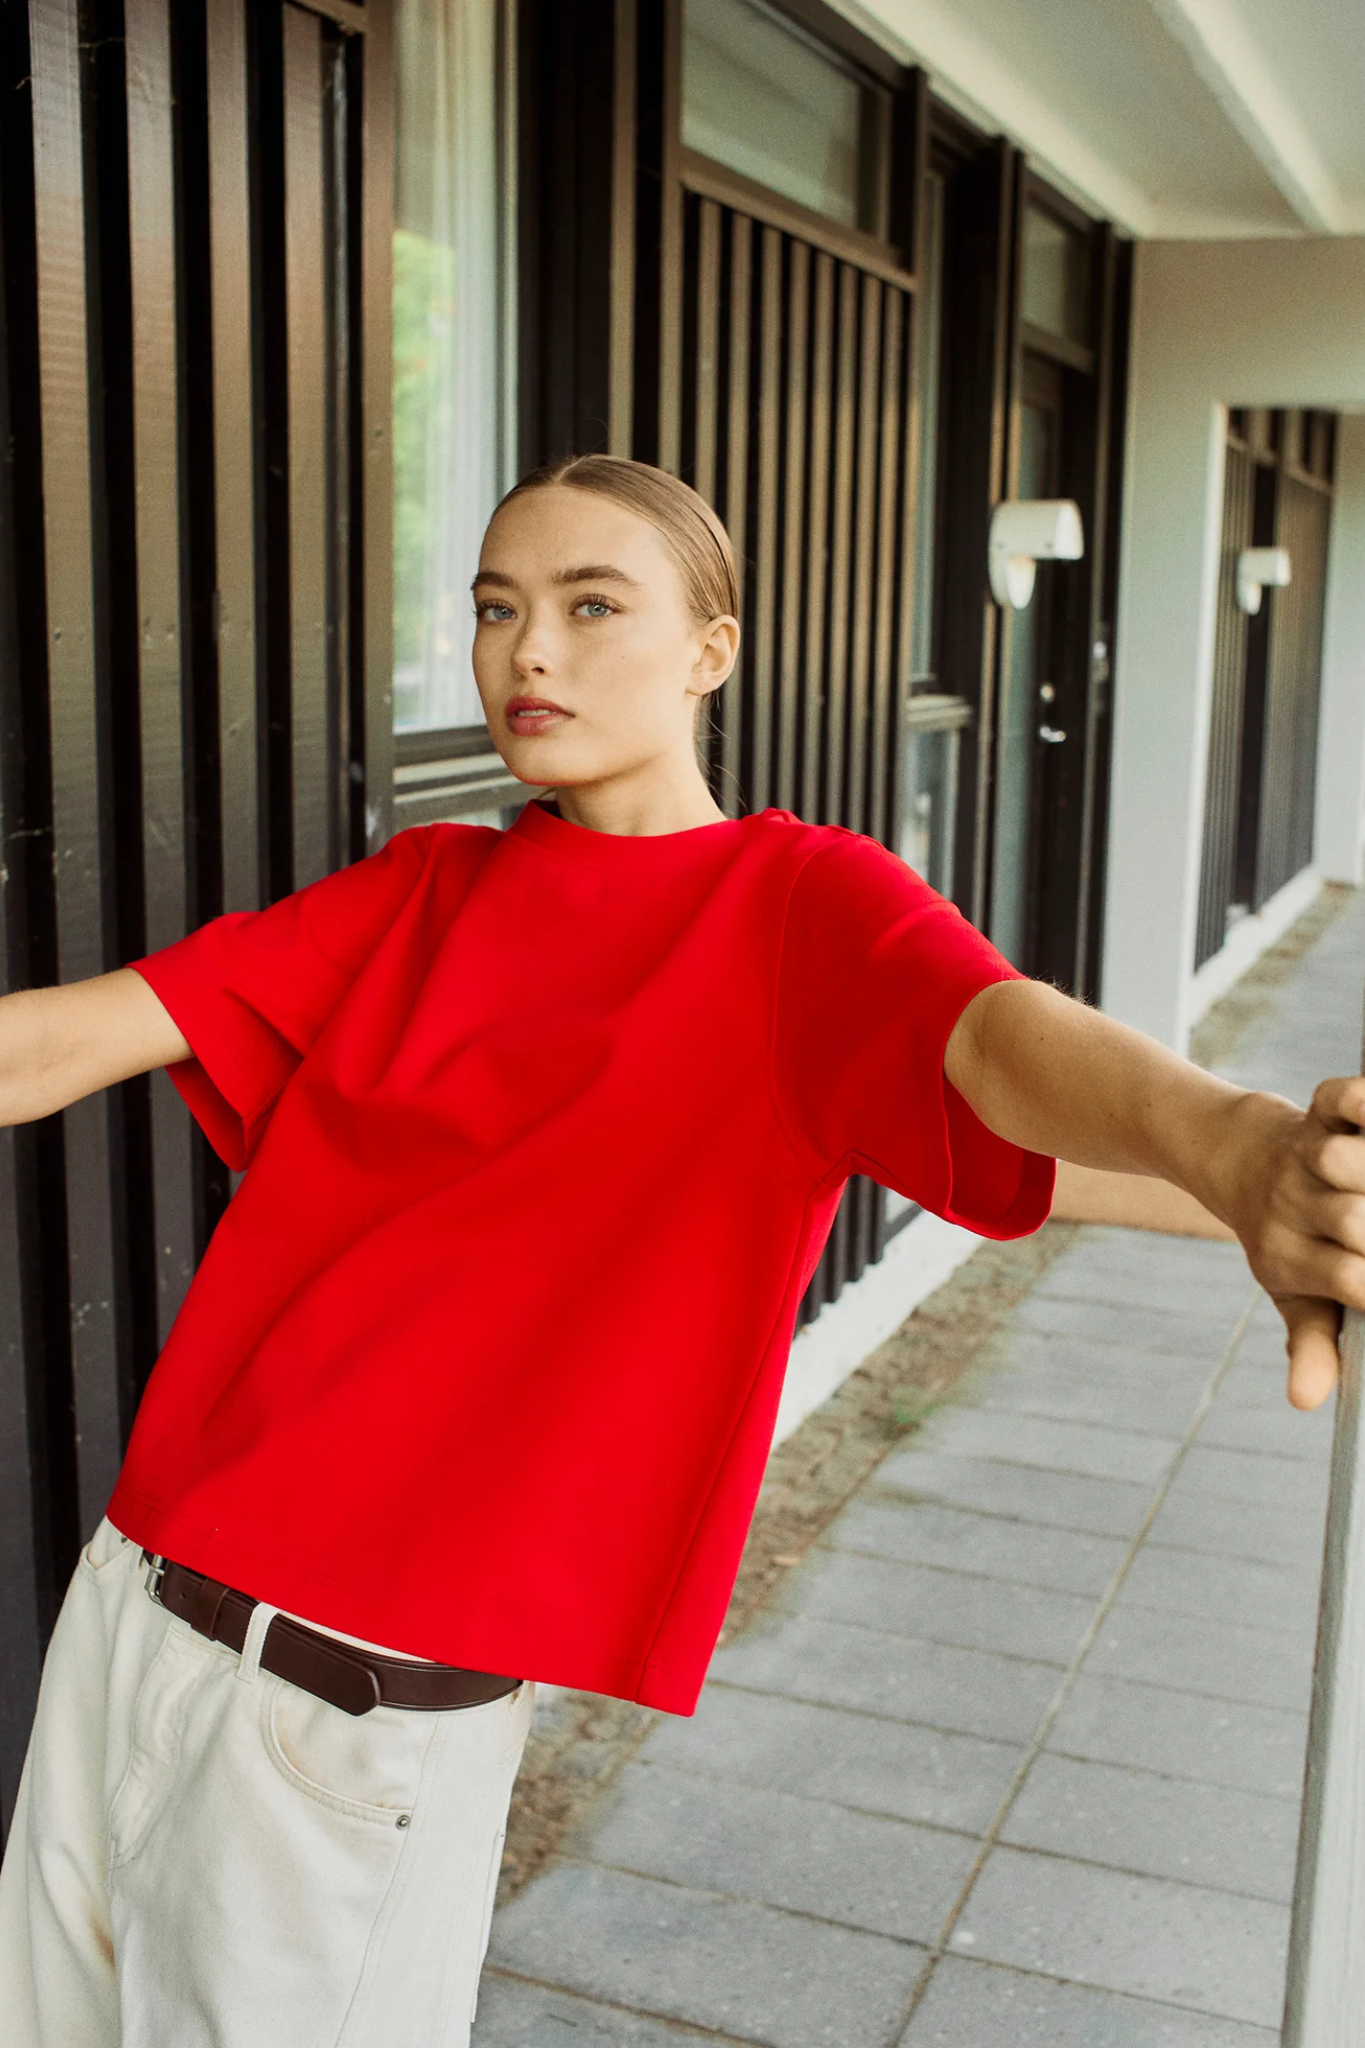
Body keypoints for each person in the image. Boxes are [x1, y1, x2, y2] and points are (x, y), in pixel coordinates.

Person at [0, 454, 1358, 2046]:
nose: (531, 655)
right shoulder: (427, 889)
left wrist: (1241, 1145)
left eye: (592, 607)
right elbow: (49, 1048)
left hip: (350, 1714)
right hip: (131, 1611)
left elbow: (996, 1052)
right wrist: (1233, 1184)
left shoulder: (798, 908)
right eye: (499, 608)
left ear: (712, 647)